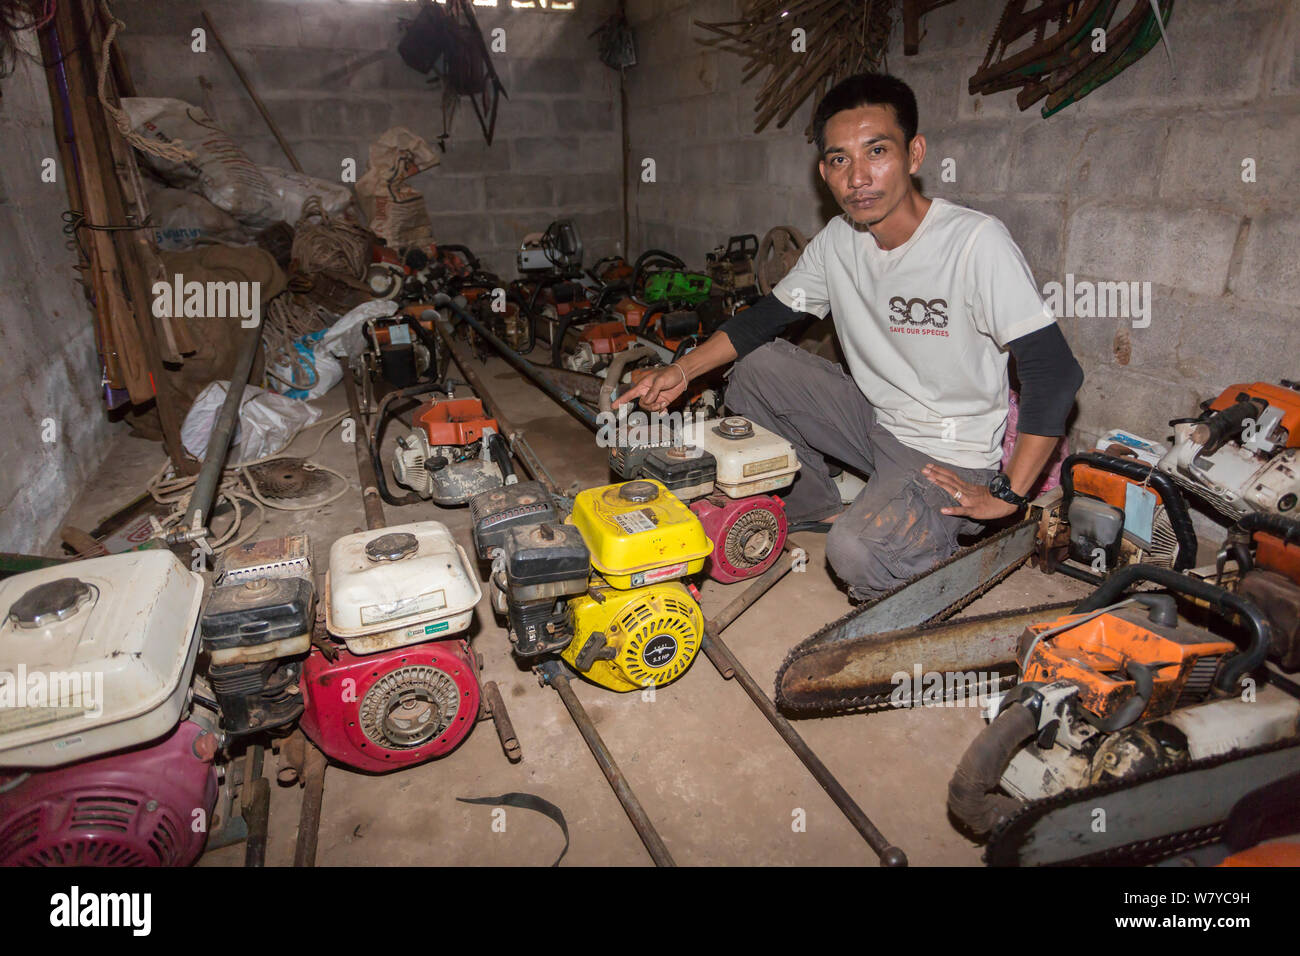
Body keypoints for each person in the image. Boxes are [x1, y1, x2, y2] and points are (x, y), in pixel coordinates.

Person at [614, 72, 1084, 601]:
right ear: (824, 173)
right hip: (875, 420)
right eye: (840, 160)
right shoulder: (840, 239)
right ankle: (817, 504)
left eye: (877, 151)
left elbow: (1055, 370)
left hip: (946, 453)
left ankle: (928, 553)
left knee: (855, 554)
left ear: (914, 154)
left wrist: (1010, 493)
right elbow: (763, 320)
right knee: (756, 367)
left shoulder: (974, 242)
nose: (858, 177)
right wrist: (680, 372)